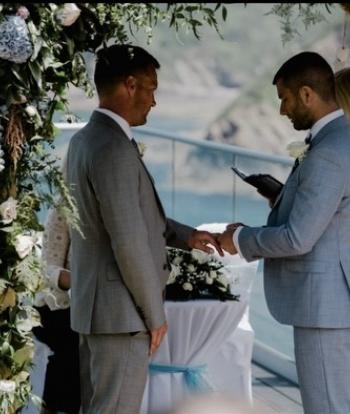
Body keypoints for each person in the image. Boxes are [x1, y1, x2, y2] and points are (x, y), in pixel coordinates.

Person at [65, 44, 222, 414]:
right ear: (129, 85)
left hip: (96, 310)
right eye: (151, 88)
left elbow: (129, 218)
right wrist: (155, 316)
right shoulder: (113, 148)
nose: (154, 100)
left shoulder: (83, 140)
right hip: (121, 316)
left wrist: (186, 236)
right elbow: (128, 240)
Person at [218, 51, 350, 414]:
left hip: (323, 307)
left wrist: (241, 239)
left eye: (285, 98)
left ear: (307, 94)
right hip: (332, 303)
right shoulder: (335, 141)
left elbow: (298, 239)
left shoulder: (329, 152)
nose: (281, 110)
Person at [33, 206, 80, 414]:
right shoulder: (63, 209)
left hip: (86, 305)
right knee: (72, 345)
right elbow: (47, 269)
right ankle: (52, 409)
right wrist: (80, 281)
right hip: (53, 304)